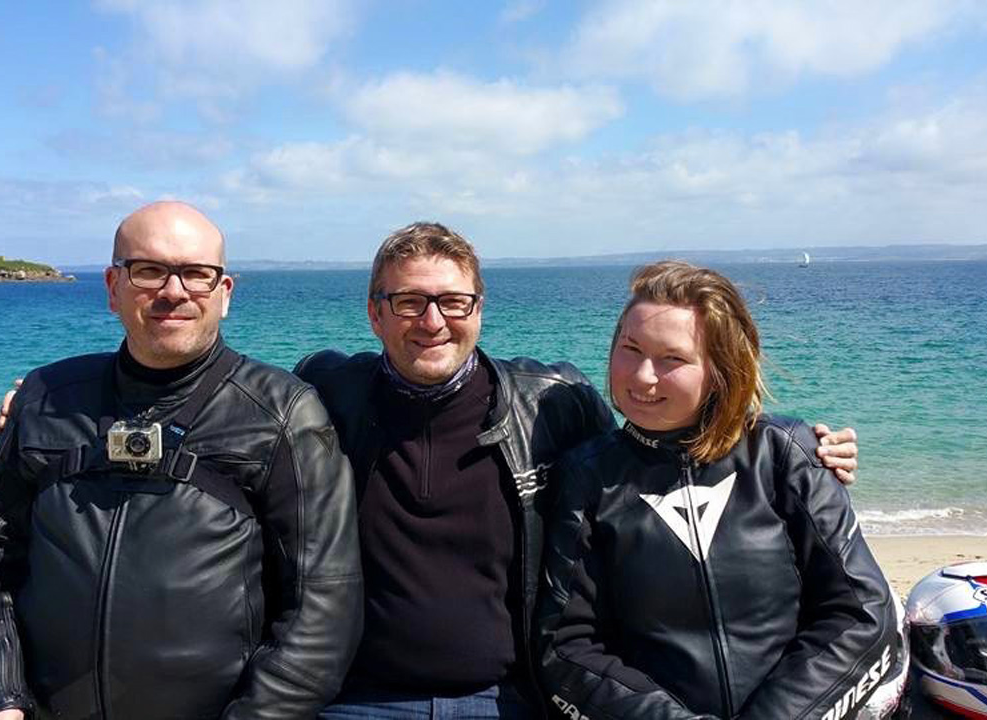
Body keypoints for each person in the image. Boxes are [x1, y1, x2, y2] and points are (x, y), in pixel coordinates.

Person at [294, 224, 862, 718]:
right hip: (357, 697)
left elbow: (666, 449)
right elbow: (239, 425)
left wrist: (800, 448)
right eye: (410, 301)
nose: (433, 321)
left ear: (479, 309)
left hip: (510, 699)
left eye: (453, 301)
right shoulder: (324, 396)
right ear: (375, 313)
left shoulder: (550, 401)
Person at [0, 202, 363, 720]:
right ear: (112, 287)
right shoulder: (46, 398)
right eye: (149, 270)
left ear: (224, 293)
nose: (174, 291)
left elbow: (324, 605)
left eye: (196, 273)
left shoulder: (281, 414)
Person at [536, 261, 902, 719]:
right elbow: (566, 647)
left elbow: (863, 613)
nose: (643, 376)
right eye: (630, 349)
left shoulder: (785, 454)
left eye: (672, 359)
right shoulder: (586, 476)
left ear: (719, 368)